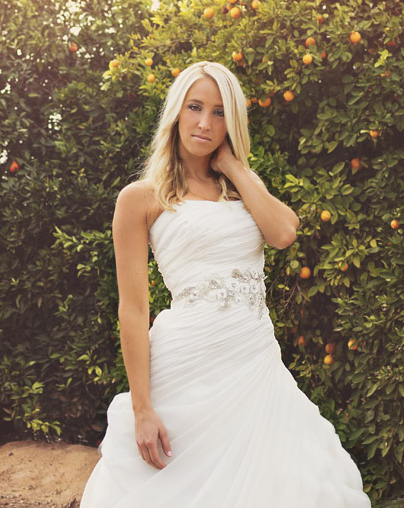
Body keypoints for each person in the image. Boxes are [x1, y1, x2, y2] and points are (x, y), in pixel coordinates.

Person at [80, 61, 371, 506]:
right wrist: (142, 409)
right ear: (176, 112)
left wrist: (233, 167)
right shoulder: (140, 198)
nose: (204, 122)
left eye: (219, 113)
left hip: (255, 363)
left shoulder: (240, 190)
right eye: (195, 107)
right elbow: (133, 310)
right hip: (186, 367)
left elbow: (283, 233)